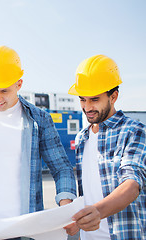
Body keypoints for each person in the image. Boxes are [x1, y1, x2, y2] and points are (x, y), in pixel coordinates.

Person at [0, 46, 77, 233]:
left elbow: (61, 168)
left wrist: (66, 209)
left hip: (26, 227)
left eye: (4, 91)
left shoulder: (39, 120)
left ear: (19, 84)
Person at [65, 54, 146, 239]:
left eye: (94, 99)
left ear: (114, 96)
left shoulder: (134, 131)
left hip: (123, 234)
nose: (87, 107)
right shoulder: (82, 138)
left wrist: (98, 212)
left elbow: (132, 183)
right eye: (82, 99)